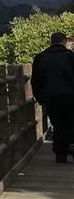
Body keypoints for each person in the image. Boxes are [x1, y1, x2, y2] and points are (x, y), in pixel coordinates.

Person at [31, 31, 74, 163]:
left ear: (51, 42)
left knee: (58, 124)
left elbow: (35, 81)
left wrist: (40, 98)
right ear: (64, 41)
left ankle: (60, 154)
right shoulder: (71, 57)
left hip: (51, 98)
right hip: (71, 96)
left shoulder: (40, 58)